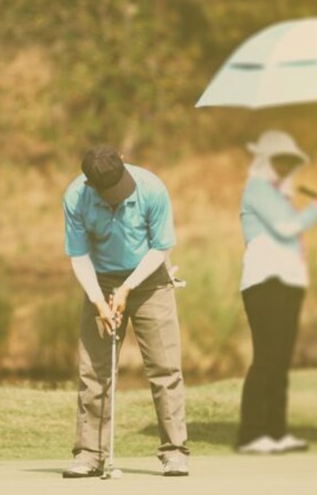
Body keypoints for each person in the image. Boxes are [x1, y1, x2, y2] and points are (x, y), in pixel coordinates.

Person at [61, 145, 190, 478]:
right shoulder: (76, 197)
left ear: (124, 163)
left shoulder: (151, 189)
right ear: (91, 185)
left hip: (150, 281)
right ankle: (90, 453)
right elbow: (79, 256)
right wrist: (99, 301)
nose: (118, 196)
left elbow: (161, 248)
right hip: (100, 280)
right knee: (94, 371)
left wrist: (128, 288)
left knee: (165, 367)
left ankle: (174, 451)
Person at [236, 130, 317, 454]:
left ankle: (276, 431)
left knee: (281, 359)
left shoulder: (281, 196)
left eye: (290, 161)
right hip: (264, 281)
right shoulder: (257, 189)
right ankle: (252, 433)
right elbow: (288, 228)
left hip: (288, 283)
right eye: (280, 159)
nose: (285, 166)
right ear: (264, 159)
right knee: (266, 357)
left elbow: (294, 238)